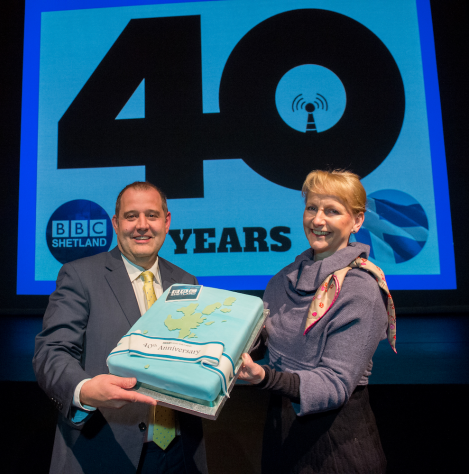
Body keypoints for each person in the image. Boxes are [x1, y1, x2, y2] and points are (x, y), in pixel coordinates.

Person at [34, 182, 208, 474]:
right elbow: (52, 352)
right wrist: (85, 389)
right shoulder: (80, 275)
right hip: (104, 451)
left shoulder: (187, 281)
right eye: (131, 216)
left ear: (166, 222)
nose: (142, 225)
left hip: (179, 452)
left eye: (152, 215)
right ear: (116, 224)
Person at [239, 170, 395, 473]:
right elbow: (262, 341)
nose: (317, 220)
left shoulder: (360, 289)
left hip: (336, 446)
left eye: (332, 211)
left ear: (358, 220)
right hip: (281, 434)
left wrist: (263, 377)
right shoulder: (282, 279)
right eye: (312, 208)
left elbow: (335, 384)